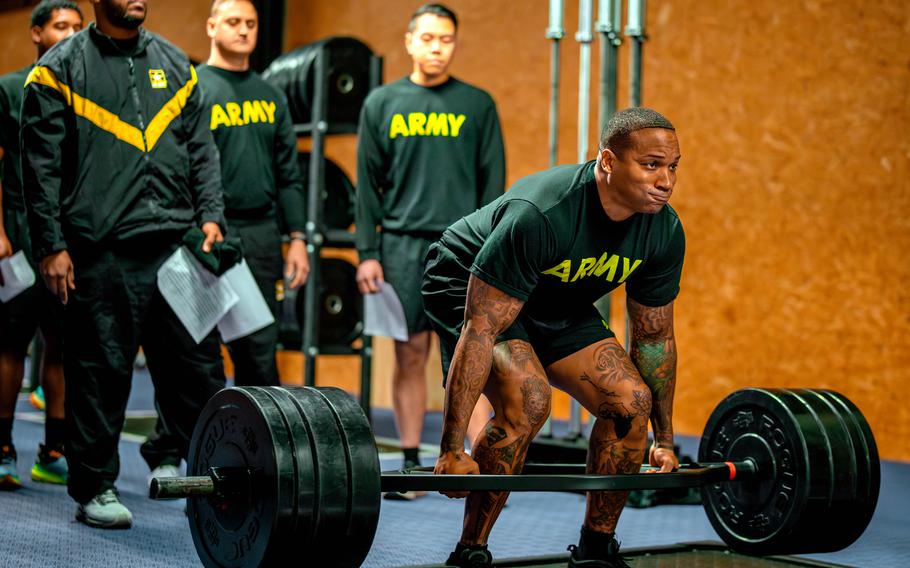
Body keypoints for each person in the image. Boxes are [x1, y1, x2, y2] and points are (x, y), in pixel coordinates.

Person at [422, 107, 685, 568]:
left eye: (672, 167)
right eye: (651, 165)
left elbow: (654, 337)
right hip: (466, 278)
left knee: (630, 403)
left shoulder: (662, 230)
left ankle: (595, 550)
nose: (665, 180)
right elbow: (480, 327)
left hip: (554, 298)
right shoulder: (543, 213)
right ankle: (470, 551)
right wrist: (451, 448)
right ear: (608, 161)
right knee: (529, 400)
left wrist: (663, 437)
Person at [20, 0, 227, 529]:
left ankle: (209, 476)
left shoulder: (178, 63)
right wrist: (49, 246)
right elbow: (39, 169)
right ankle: (94, 487)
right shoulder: (58, 69)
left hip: (176, 245)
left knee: (200, 371)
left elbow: (201, 147)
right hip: (99, 250)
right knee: (100, 375)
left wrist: (211, 216)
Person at [138, 0, 311, 481]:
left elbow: (289, 176)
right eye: (233, 22)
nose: (244, 30)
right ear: (212, 26)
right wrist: (191, 229)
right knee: (193, 355)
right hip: (204, 234)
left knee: (258, 350)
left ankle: (261, 460)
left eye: (251, 24)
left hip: (257, 236)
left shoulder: (271, 95)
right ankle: (170, 451)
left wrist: (296, 238)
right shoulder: (193, 87)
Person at [355, 3, 505, 493]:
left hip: (463, 248)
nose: (437, 47)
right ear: (410, 41)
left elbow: (495, 185)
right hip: (399, 246)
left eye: (446, 39)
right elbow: (367, 188)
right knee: (410, 354)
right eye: (429, 38)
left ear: (454, 44)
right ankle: (413, 463)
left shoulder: (478, 104)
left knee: (472, 354)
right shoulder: (381, 103)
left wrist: (492, 253)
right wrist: (367, 252)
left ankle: (475, 464)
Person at [0, 0, 83, 491]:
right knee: (8, 343)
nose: (70, 34)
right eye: (60, 26)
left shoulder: (86, 91)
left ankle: (54, 451)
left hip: (72, 243)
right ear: (36, 33)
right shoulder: (11, 88)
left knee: (64, 347)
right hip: (20, 239)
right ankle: (3, 447)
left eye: (77, 27)